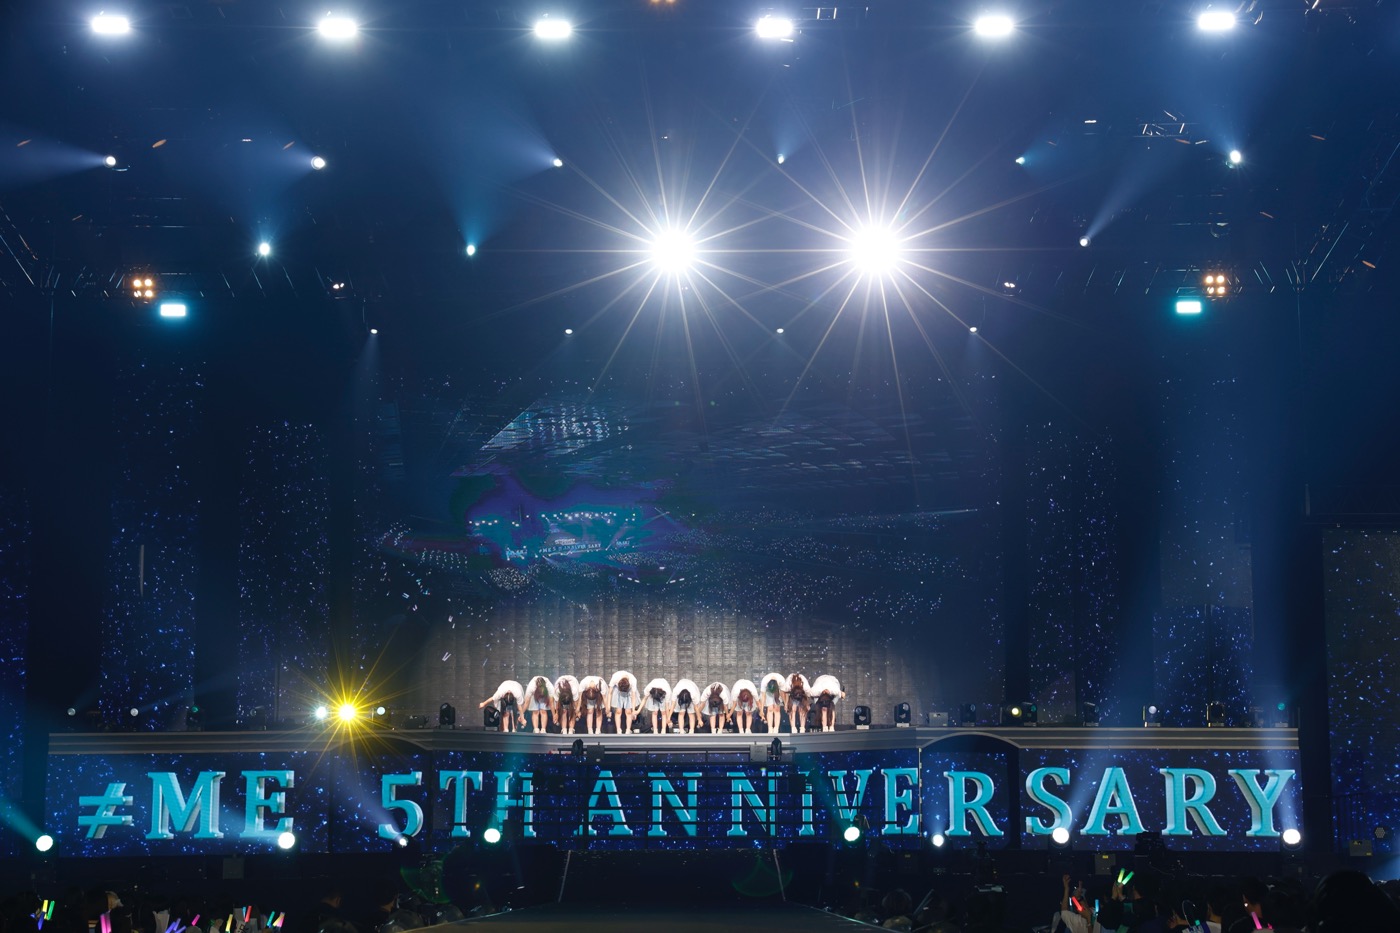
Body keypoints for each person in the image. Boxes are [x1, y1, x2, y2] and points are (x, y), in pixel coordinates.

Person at [608, 670, 639, 734]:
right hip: (618, 691)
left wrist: (633, 711)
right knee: (618, 711)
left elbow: (633, 696)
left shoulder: (633, 680)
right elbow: (610, 693)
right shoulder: (615, 677)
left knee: (628, 711)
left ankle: (628, 730)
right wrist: (608, 709)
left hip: (629, 692)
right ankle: (618, 729)